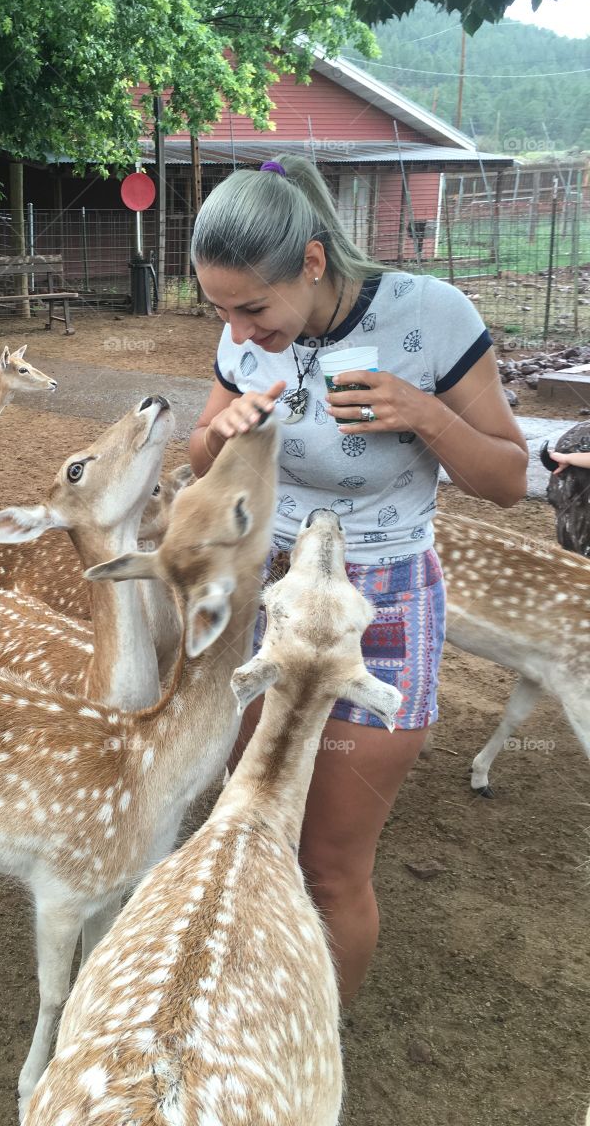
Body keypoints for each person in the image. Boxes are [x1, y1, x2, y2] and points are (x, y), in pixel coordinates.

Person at [188, 156, 528, 1005]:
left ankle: (319, 1040)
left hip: (381, 605)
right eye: (220, 311)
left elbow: (508, 479)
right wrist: (220, 438)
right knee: (253, 829)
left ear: (311, 261)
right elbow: (201, 459)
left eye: (252, 309)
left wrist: (424, 413)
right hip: (267, 596)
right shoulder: (241, 336)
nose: (238, 332)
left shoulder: (433, 315)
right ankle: (253, 1009)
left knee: (330, 865)